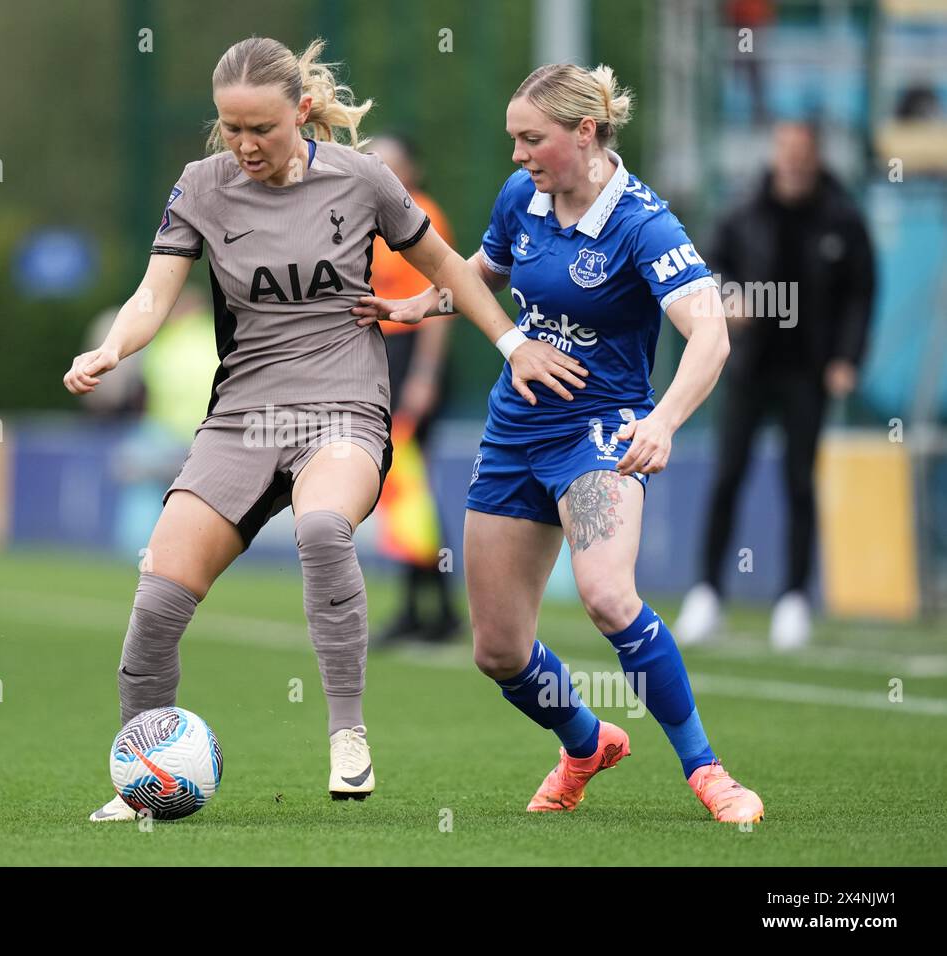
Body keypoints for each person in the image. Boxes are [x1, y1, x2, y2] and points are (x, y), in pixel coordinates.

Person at [65, 37, 584, 821]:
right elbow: (150, 296)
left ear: (301, 111)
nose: (243, 146)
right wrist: (111, 349)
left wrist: (512, 346)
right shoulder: (200, 187)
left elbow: (449, 269)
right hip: (241, 416)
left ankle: (347, 733)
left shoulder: (363, 179)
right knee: (156, 605)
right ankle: (139, 775)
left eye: (261, 129)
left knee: (321, 531)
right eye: (230, 128)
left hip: (344, 404)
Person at [353, 64, 763, 823]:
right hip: (514, 432)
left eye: (531, 138)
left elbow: (709, 333)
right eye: (513, 138)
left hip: (600, 435)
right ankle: (584, 741)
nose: (517, 155)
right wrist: (417, 305)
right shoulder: (523, 198)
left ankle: (707, 770)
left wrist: (664, 420)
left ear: (585, 133)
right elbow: (480, 274)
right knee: (499, 652)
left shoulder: (645, 224)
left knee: (609, 595)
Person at [674, 121, 876, 650]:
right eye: (784, 151)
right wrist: (726, 299)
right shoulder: (743, 212)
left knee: (799, 483)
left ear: (815, 156)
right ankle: (707, 593)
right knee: (728, 477)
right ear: (774, 154)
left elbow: (860, 293)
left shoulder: (842, 218)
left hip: (807, 371)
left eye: (801, 152)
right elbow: (703, 270)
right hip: (746, 368)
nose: (792, 161)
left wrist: (846, 358)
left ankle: (792, 600)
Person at [365, 134, 461, 645]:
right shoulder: (370, 221)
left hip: (412, 360)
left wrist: (424, 377)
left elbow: (442, 299)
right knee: (401, 488)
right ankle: (428, 609)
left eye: (389, 163)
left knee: (408, 486)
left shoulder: (423, 216)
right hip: (382, 360)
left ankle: (434, 609)